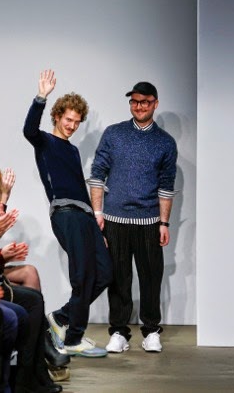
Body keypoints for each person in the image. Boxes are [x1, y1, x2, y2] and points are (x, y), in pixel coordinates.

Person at [23, 69, 112, 357]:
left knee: (105, 273)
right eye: (68, 120)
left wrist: (95, 225)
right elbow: (29, 130)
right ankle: (73, 339)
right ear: (57, 116)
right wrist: (41, 97)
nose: (72, 126)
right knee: (83, 275)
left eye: (76, 121)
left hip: (84, 216)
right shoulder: (44, 142)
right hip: (65, 214)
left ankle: (61, 318)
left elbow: (81, 189)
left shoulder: (72, 151)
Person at [88, 81, 178, 353]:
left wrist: (164, 223)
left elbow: (166, 186)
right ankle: (118, 332)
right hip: (114, 220)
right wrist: (97, 213)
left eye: (145, 102)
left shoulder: (165, 142)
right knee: (118, 279)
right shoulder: (114, 134)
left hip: (149, 221)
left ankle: (151, 331)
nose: (139, 106)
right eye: (135, 101)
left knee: (151, 278)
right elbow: (97, 174)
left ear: (155, 104)